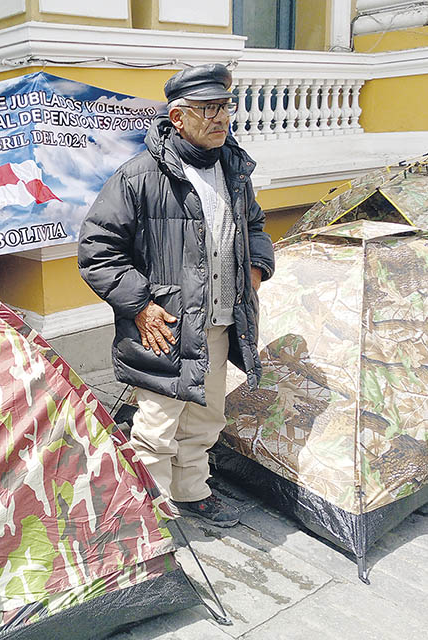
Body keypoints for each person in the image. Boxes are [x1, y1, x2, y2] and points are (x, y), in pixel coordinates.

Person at [78, 64, 274, 527]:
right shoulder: (140, 176)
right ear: (178, 117)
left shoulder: (234, 168)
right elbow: (97, 248)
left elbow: (255, 229)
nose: (221, 118)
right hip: (165, 325)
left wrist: (257, 269)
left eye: (225, 106)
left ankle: (191, 492)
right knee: (157, 426)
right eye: (209, 108)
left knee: (205, 419)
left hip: (223, 320)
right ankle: (152, 514)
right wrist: (140, 306)